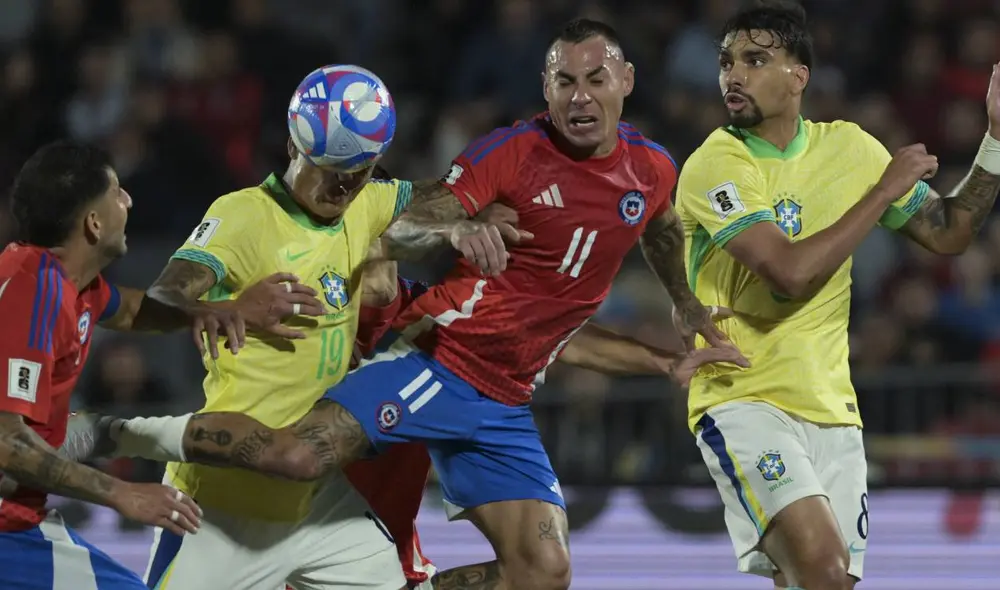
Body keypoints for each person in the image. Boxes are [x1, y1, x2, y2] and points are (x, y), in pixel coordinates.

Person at [104, 18, 738, 590]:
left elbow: (656, 224)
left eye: (595, 78)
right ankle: (128, 437)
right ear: (544, 89)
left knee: (544, 573)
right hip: (437, 360)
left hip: (507, 400)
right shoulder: (509, 154)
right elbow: (412, 220)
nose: (580, 96)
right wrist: (454, 227)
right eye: (564, 81)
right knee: (299, 459)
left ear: (625, 80)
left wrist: (682, 305)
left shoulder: (652, 169)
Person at [674, 3, 1000, 590]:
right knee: (824, 570)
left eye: (755, 60)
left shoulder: (849, 148)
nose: (733, 76)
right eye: (727, 62)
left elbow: (950, 230)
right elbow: (788, 273)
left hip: (834, 412)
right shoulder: (714, 165)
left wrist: (996, 139)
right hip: (746, 399)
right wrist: (880, 196)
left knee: (818, 583)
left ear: (799, 76)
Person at [343, 203, 746, 590]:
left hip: (375, 552)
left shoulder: (434, 319)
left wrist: (666, 363)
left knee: (544, 569)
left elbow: (550, 336)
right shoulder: (306, 320)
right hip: (298, 523)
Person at [0, 140, 313, 589]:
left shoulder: (69, 284)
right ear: (93, 223)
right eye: (117, 192)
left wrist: (222, 310)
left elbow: (130, 311)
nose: (128, 201)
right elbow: (7, 443)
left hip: (22, 524)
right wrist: (122, 493)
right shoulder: (33, 295)